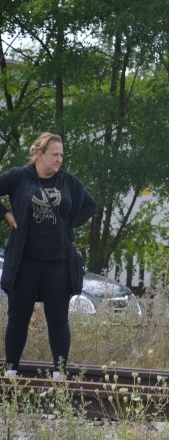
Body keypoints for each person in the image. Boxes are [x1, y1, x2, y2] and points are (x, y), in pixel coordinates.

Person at [0, 133, 97, 379]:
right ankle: (11, 370)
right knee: (18, 317)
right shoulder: (20, 177)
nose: (59, 159)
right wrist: (5, 214)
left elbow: (89, 206)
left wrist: (67, 225)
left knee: (58, 319)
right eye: (55, 154)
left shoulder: (68, 182)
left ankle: (59, 373)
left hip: (57, 263)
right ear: (40, 154)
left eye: (62, 155)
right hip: (24, 263)